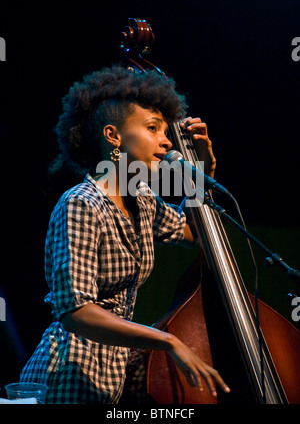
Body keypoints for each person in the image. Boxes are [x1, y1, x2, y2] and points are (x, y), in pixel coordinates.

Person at [20, 65, 230, 404]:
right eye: (152, 128)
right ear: (113, 136)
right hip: (68, 375)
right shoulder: (81, 203)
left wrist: (203, 171)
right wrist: (169, 341)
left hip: (112, 377)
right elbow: (76, 312)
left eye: (166, 130)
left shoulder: (143, 201)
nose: (166, 140)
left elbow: (199, 233)